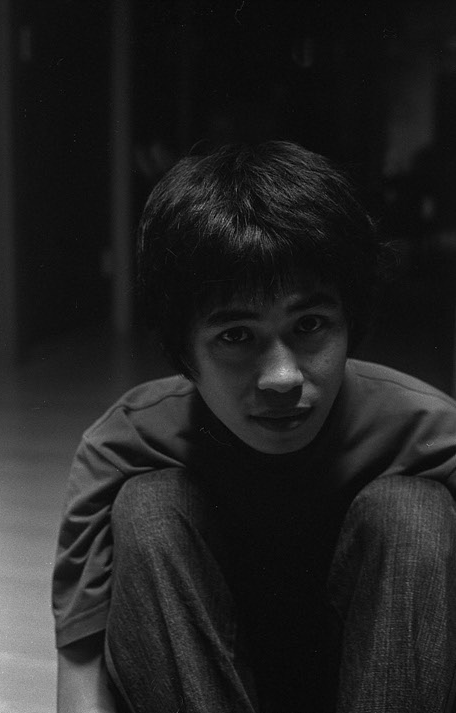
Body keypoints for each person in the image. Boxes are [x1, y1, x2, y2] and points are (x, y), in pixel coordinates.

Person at [53, 141, 456, 713]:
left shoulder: (429, 429)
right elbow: (81, 661)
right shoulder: (124, 444)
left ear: (350, 324)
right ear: (184, 352)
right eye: (237, 336)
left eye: (310, 325)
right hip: (199, 684)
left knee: (413, 511)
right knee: (149, 507)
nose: (282, 378)